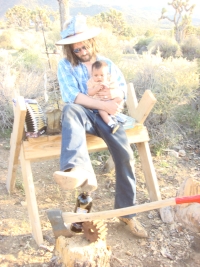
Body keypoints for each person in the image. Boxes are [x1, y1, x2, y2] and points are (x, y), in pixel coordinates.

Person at [53, 15, 148, 238]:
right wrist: (101, 103)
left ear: (91, 42)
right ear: (70, 50)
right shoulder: (65, 66)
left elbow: (121, 90)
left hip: (110, 116)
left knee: (125, 156)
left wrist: (114, 99)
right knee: (70, 110)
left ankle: (127, 213)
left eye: (83, 46)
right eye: (76, 49)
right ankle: (78, 170)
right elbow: (72, 96)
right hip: (84, 115)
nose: (81, 51)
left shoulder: (107, 64)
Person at [87, 60, 123, 134]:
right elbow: (89, 93)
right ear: (92, 74)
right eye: (96, 75)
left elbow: (116, 88)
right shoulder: (91, 82)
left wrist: (108, 88)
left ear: (107, 74)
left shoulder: (110, 79)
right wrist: (95, 89)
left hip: (110, 99)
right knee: (101, 110)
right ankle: (111, 123)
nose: (99, 77)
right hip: (100, 102)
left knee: (119, 98)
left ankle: (114, 114)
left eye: (102, 75)